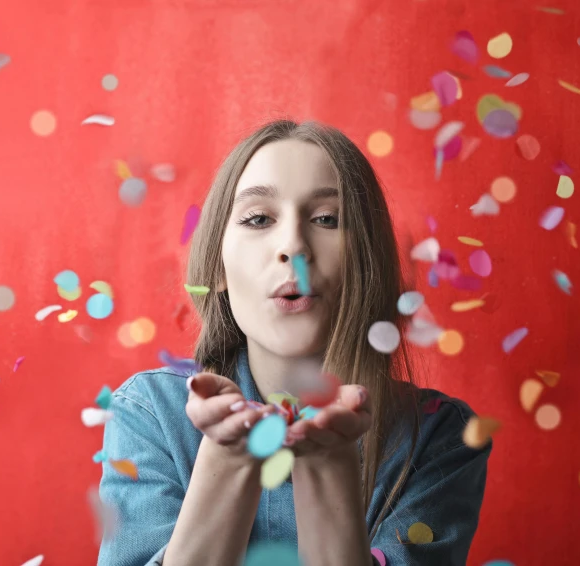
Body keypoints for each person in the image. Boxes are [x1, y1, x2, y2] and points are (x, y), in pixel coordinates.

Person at [97, 119, 491, 566]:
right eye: (259, 218)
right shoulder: (148, 413)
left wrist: (330, 464)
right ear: (217, 268)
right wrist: (227, 459)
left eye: (327, 219)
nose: (293, 245)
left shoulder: (440, 437)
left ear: (367, 261)